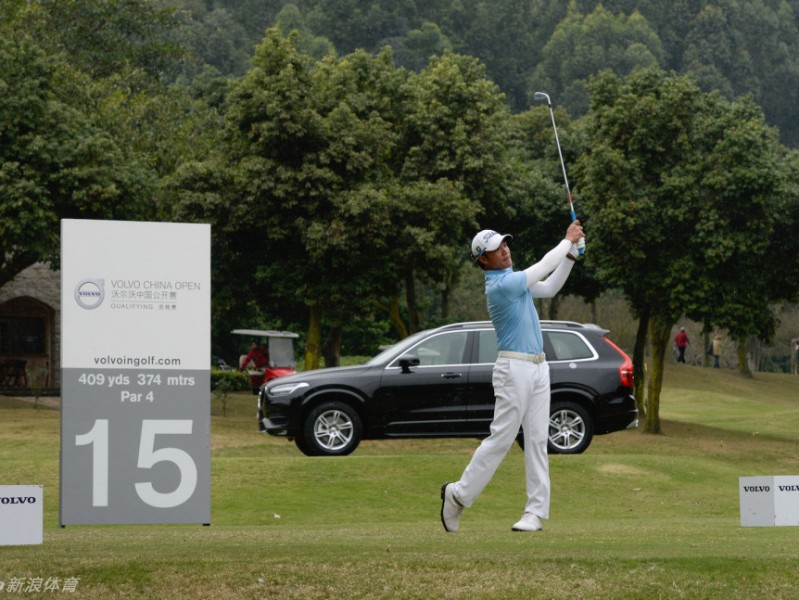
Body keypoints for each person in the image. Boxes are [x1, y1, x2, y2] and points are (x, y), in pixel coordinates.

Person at [440, 221, 584, 533]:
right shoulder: (501, 286)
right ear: (483, 260)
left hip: (538, 367)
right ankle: (458, 494)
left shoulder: (512, 278)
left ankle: (535, 513)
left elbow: (548, 287)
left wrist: (570, 258)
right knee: (502, 438)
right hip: (512, 369)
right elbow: (544, 267)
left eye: (505, 244)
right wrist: (567, 241)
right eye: (496, 249)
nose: (505, 250)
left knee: (536, 440)